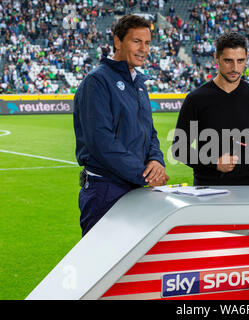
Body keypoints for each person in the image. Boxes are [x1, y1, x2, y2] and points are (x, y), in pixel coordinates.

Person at [73, 15, 169, 237]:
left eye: (147, 43)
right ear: (118, 41)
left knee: (131, 264)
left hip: (136, 186)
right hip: (105, 188)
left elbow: (150, 132)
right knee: (101, 262)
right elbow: (101, 142)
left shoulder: (140, 84)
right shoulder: (97, 81)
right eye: (136, 41)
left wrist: (156, 160)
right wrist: (146, 175)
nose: (143, 49)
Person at [172, 32, 249, 186]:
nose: (235, 67)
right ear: (216, 58)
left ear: (246, 58)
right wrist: (214, 162)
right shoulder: (196, 99)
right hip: (207, 189)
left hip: (248, 189)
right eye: (228, 61)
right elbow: (179, 148)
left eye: (240, 61)